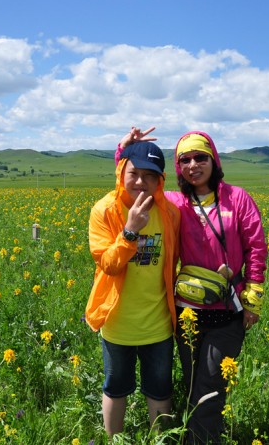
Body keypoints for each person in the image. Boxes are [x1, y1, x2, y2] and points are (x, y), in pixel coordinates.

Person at [118, 128, 268, 444]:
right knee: (192, 383)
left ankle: (199, 439)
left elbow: (256, 246)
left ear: (214, 160)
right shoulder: (174, 202)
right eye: (185, 160)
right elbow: (134, 185)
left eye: (201, 157)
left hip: (227, 311)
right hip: (188, 311)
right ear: (178, 166)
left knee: (210, 385)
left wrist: (253, 296)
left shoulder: (237, 198)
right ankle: (204, 433)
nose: (193, 165)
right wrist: (125, 151)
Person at [85, 140, 181, 439]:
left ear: (160, 180)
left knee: (160, 389)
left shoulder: (170, 212)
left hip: (158, 324)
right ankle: (114, 441)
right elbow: (109, 264)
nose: (141, 182)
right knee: (115, 388)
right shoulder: (104, 211)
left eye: (150, 175)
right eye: (134, 173)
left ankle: (159, 440)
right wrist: (130, 231)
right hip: (117, 323)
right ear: (121, 173)